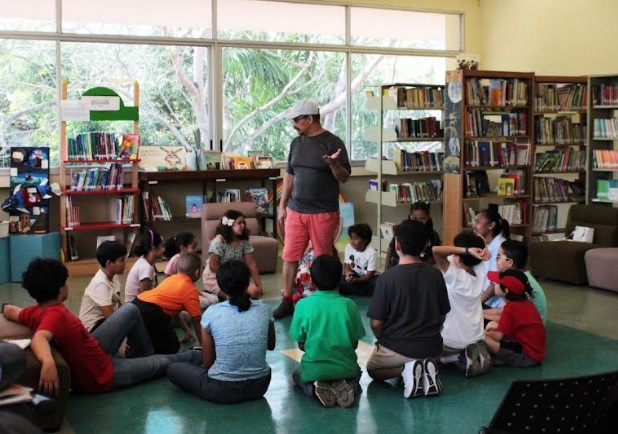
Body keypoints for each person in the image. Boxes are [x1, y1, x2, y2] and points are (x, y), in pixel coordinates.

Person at [1, 258, 201, 395]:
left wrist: (4, 307)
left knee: (130, 310)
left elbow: (11, 311)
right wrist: (48, 363)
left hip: (92, 348)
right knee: (163, 362)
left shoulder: (36, 310)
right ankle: (199, 354)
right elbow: (40, 337)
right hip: (101, 373)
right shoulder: (55, 315)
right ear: (61, 289)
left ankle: (143, 354)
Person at [273, 99, 351, 319]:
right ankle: (287, 300)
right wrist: (282, 206)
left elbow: (344, 177)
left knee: (322, 259)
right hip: (296, 211)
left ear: (310, 118)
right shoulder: (296, 143)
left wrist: (333, 164)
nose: (293, 125)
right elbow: (289, 175)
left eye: (297, 120)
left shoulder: (333, 143)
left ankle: (322, 302)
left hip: (323, 212)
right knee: (289, 256)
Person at [167, 260, 275, 404]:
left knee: (174, 368)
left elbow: (208, 363)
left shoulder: (212, 313)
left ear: (221, 287)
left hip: (223, 389)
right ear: (248, 282)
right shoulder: (264, 309)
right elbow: (271, 345)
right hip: (260, 385)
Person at [366, 219, 451, 399]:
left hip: (397, 348)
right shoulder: (436, 275)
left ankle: (407, 368)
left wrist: (382, 339)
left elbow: (375, 323)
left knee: (373, 370)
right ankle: (426, 367)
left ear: (397, 244)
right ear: (426, 244)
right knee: (427, 357)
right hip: (433, 349)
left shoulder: (387, 279)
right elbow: (442, 315)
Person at [290, 255, 365, 408]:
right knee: (357, 373)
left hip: (314, 370)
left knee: (297, 374)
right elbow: (355, 343)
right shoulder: (349, 305)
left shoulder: (302, 305)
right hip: (346, 369)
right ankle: (348, 387)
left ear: (311, 280)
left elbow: (301, 344)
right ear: (339, 280)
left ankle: (314, 389)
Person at [432, 232, 492, 378]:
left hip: (453, 342)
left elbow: (435, 250)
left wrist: (464, 250)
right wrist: (478, 251)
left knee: (429, 354)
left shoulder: (456, 277)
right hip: (477, 337)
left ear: (458, 257)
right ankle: (470, 354)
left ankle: (458, 357)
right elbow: (481, 245)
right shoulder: (480, 269)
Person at [133, 253, 203, 354]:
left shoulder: (171, 279)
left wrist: (186, 330)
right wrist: (204, 346)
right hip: (152, 312)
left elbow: (174, 312)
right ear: (197, 272)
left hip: (138, 302)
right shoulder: (191, 290)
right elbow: (196, 321)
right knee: (172, 346)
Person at [484, 269, 546, 367]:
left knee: (481, 338)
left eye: (497, 283)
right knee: (490, 328)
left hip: (528, 357)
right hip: (535, 353)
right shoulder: (526, 303)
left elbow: (497, 336)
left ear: (506, 291)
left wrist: (480, 334)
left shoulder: (511, 307)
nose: (494, 284)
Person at [202, 209, 263, 301]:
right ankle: (213, 292)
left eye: (244, 223)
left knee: (254, 292)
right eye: (239, 223)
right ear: (230, 225)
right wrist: (230, 276)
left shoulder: (244, 241)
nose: (243, 225)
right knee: (233, 298)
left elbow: (251, 263)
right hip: (216, 276)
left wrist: (259, 285)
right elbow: (213, 266)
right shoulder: (219, 241)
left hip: (235, 276)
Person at [483, 240, 548, 324]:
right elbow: (504, 310)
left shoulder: (517, 282)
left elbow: (509, 318)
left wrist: (479, 315)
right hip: (521, 320)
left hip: (527, 327)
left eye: (498, 256)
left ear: (510, 262)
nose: (496, 260)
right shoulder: (517, 277)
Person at [78, 241, 126, 333]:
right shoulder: (100, 283)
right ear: (109, 263)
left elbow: (118, 304)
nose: (125, 263)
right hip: (92, 331)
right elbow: (111, 319)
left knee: (131, 311)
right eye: (122, 260)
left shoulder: (113, 276)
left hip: (103, 323)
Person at [384, 201, 442, 270]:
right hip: (398, 264)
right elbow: (391, 248)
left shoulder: (433, 235)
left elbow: (436, 257)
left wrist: (422, 263)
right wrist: (386, 268)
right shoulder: (402, 230)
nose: (418, 222)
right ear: (410, 216)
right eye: (415, 218)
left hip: (421, 267)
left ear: (428, 218)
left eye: (422, 219)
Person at [473, 208, 510, 309]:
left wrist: (477, 305)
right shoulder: (486, 244)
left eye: (478, 222)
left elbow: (495, 282)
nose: (474, 226)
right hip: (483, 298)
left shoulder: (500, 246)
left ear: (491, 225)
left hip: (493, 304)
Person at [125, 229, 165, 302]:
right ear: (154, 248)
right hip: (136, 308)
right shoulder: (145, 268)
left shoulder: (146, 262)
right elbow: (145, 297)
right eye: (162, 246)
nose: (164, 250)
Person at [339, 223, 378, 296]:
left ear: (365, 240)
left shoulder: (371, 252)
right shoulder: (348, 248)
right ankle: (361, 291)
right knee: (339, 280)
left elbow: (369, 275)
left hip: (367, 280)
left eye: (355, 239)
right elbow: (348, 266)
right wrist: (348, 274)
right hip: (354, 275)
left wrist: (356, 281)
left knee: (378, 282)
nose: (352, 242)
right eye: (351, 238)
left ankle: (357, 290)